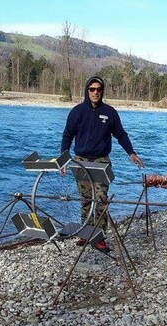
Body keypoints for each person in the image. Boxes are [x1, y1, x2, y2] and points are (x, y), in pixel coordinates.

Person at [60, 76, 144, 252]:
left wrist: (131, 153)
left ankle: (99, 236)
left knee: (101, 200)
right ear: (87, 90)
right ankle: (86, 233)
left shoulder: (110, 112)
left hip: (101, 162)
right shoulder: (76, 112)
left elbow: (121, 134)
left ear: (102, 91)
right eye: (92, 89)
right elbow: (67, 136)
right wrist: (64, 160)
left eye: (98, 89)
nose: (95, 92)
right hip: (80, 161)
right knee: (85, 200)